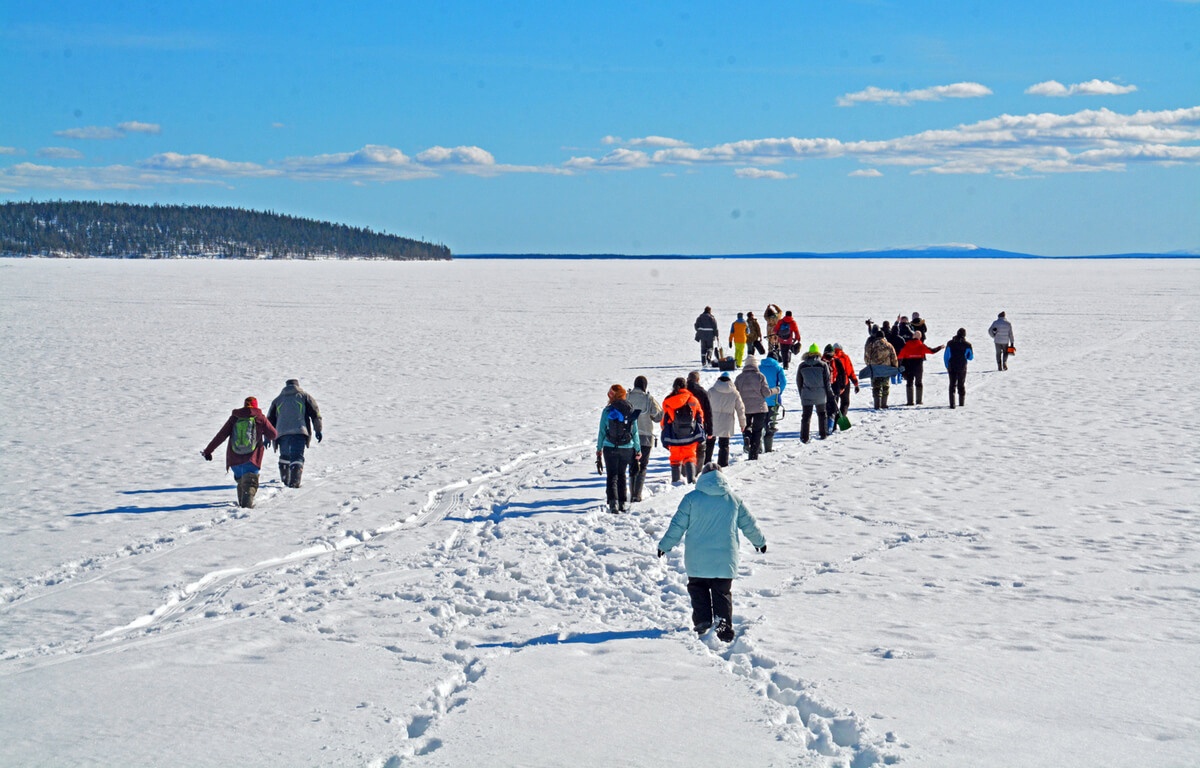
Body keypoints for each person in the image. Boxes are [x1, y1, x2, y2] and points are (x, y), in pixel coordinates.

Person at [657, 463, 767, 643]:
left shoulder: (691, 499)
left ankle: (702, 620)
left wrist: (665, 545)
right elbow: (749, 524)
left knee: (698, 589)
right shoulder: (733, 500)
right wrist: (759, 541)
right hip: (724, 560)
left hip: (697, 559)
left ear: (702, 477)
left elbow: (677, 526)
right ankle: (723, 624)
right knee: (722, 592)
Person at [202, 396, 278, 508]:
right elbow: (273, 434)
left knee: (242, 482)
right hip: (252, 460)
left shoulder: (235, 417)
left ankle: (243, 505)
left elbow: (221, 435)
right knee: (250, 482)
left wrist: (208, 451)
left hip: (235, 460)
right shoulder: (260, 418)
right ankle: (245, 507)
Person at [268, 379, 323, 488]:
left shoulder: (278, 400)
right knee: (297, 456)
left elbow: (269, 420)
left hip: (281, 433)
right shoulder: (305, 397)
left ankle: (285, 480)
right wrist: (318, 429)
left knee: (284, 456)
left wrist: (267, 436)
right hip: (299, 431)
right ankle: (294, 483)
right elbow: (315, 413)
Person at [596, 384, 641, 513]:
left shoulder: (608, 411)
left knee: (612, 476)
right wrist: (638, 450)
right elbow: (635, 432)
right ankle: (622, 503)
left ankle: (613, 503)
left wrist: (599, 449)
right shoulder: (630, 409)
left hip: (610, 447)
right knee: (622, 475)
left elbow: (602, 432)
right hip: (627, 447)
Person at [626, 376, 662, 503]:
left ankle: (632, 493)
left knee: (632, 465)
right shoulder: (648, 399)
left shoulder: (627, 397)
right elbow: (658, 417)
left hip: (629, 437)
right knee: (643, 466)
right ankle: (637, 495)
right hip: (646, 437)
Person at [661, 377, 705, 485]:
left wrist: (664, 429)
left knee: (675, 459)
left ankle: (675, 481)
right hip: (690, 435)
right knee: (690, 457)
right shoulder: (692, 400)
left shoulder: (668, 401)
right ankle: (691, 480)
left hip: (674, 436)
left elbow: (664, 420)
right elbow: (700, 416)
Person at [734, 357, 776, 460]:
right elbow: (766, 393)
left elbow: (735, 393)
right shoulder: (760, 376)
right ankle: (753, 455)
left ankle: (747, 436)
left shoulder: (739, 377)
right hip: (760, 408)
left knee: (746, 427)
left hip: (745, 408)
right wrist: (776, 390)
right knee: (757, 430)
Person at [706, 371, 746, 467]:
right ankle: (723, 464)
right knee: (724, 444)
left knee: (710, 442)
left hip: (713, 420)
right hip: (727, 422)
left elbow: (705, 406)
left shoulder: (711, 391)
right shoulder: (735, 393)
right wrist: (743, 424)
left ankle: (706, 462)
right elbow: (740, 409)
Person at [796, 344, 833, 442]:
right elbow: (827, 382)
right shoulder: (823, 365)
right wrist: (829, 394)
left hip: (806, 394)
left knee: (806, 416)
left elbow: (799, 382)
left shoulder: (802, 365)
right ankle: (823, 434)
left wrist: (802, 394)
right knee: (822, 414)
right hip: (820, 394)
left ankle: (804, 437)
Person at [896, 331, 945, 406]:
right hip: (918, 366)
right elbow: (931, 351)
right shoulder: (921, 345)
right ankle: (919, 401)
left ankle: (910, 402)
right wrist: (939, 347)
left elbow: (900, 356)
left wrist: (898, 365)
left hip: (909, 366)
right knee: (919, 382)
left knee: (909, 383)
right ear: (920, 337)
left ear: (913, 336)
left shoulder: (907, 345)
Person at [686, 371, 716, 475]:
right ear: (698, 380)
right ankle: (699, 470)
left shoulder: (682, 392)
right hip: (699, 425)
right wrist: (710, 430)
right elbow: (708, 412)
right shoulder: (702, 392)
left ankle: (688, 470)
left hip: (683, 425)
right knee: (700, 449)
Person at [759, 350, 787, 453]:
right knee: (770, 424)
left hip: (760, 401)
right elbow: (783, 382)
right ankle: (768, 448)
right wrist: (778, 392)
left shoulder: (759, 367)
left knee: (760, 424)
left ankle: (758, 447)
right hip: (773, 400)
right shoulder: (778, 368)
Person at [864, 329, 898, 409]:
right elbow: (894, 357)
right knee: (885, 387)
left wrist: (869, 365)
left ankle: (877, 405)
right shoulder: (889, 345)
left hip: (875, 369)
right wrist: (894, 367)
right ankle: (884, 404)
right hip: (886, 369)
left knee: (876, 387)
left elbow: (866, 356)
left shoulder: (871, 345)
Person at [945, 328, 974, 409]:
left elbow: (946, 356)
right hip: (962, 366)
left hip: (952, 365)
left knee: (952, 385)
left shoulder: (950, 343)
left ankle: (952, 404)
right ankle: (961, 402)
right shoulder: (967, 344)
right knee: (961, 384)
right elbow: (971, 357)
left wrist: (947, 366)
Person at [823, 345, 847, 434]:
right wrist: (843, 386)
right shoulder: (836, 360)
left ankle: (826, 427)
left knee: (826, 408)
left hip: (824, 388)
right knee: (833, 408)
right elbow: (842, 374)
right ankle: (831, 427)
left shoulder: (822, 361)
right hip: (835, 387)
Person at [831, 343, 859, 417]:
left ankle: (832, 421)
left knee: (834, 404)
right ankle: (841, 418)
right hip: (845, 383)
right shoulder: (845, 357)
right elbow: (850, 372)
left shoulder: (831, 358)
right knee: (845, 403)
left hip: (833, 384)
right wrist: (855, 383)